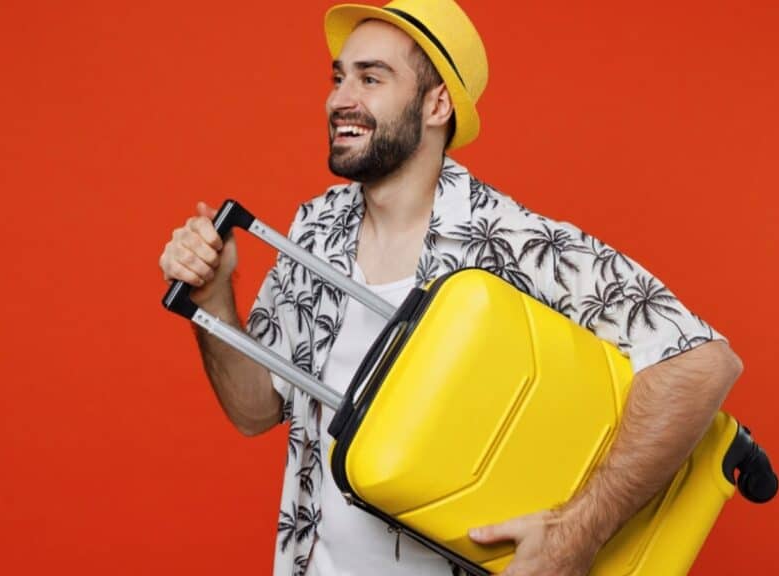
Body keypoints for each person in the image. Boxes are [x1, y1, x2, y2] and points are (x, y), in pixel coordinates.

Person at [157, 0, 743, 574]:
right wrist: (212, 299)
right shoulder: (315, 229)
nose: (340, 99)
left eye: (371, 78)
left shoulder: (512, 241)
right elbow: (256, 410)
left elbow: (703, 364)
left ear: (437, 103)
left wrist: (576, 533)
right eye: (339, 77)